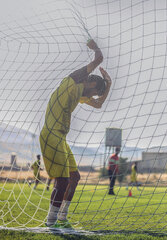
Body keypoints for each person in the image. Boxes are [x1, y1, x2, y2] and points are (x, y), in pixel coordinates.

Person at [39, 39, 112, 228]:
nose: (94, 96)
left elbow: (98, 105)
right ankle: (50, 223)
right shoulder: (70, 82)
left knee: (74, 177)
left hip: (60, 138)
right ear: (89, 82)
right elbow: (99, 59)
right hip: (51, 135)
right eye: (95, 92)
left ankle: (62, 216)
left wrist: (108, 85)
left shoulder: (80, 93)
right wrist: (95, 47)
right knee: (62, 180)